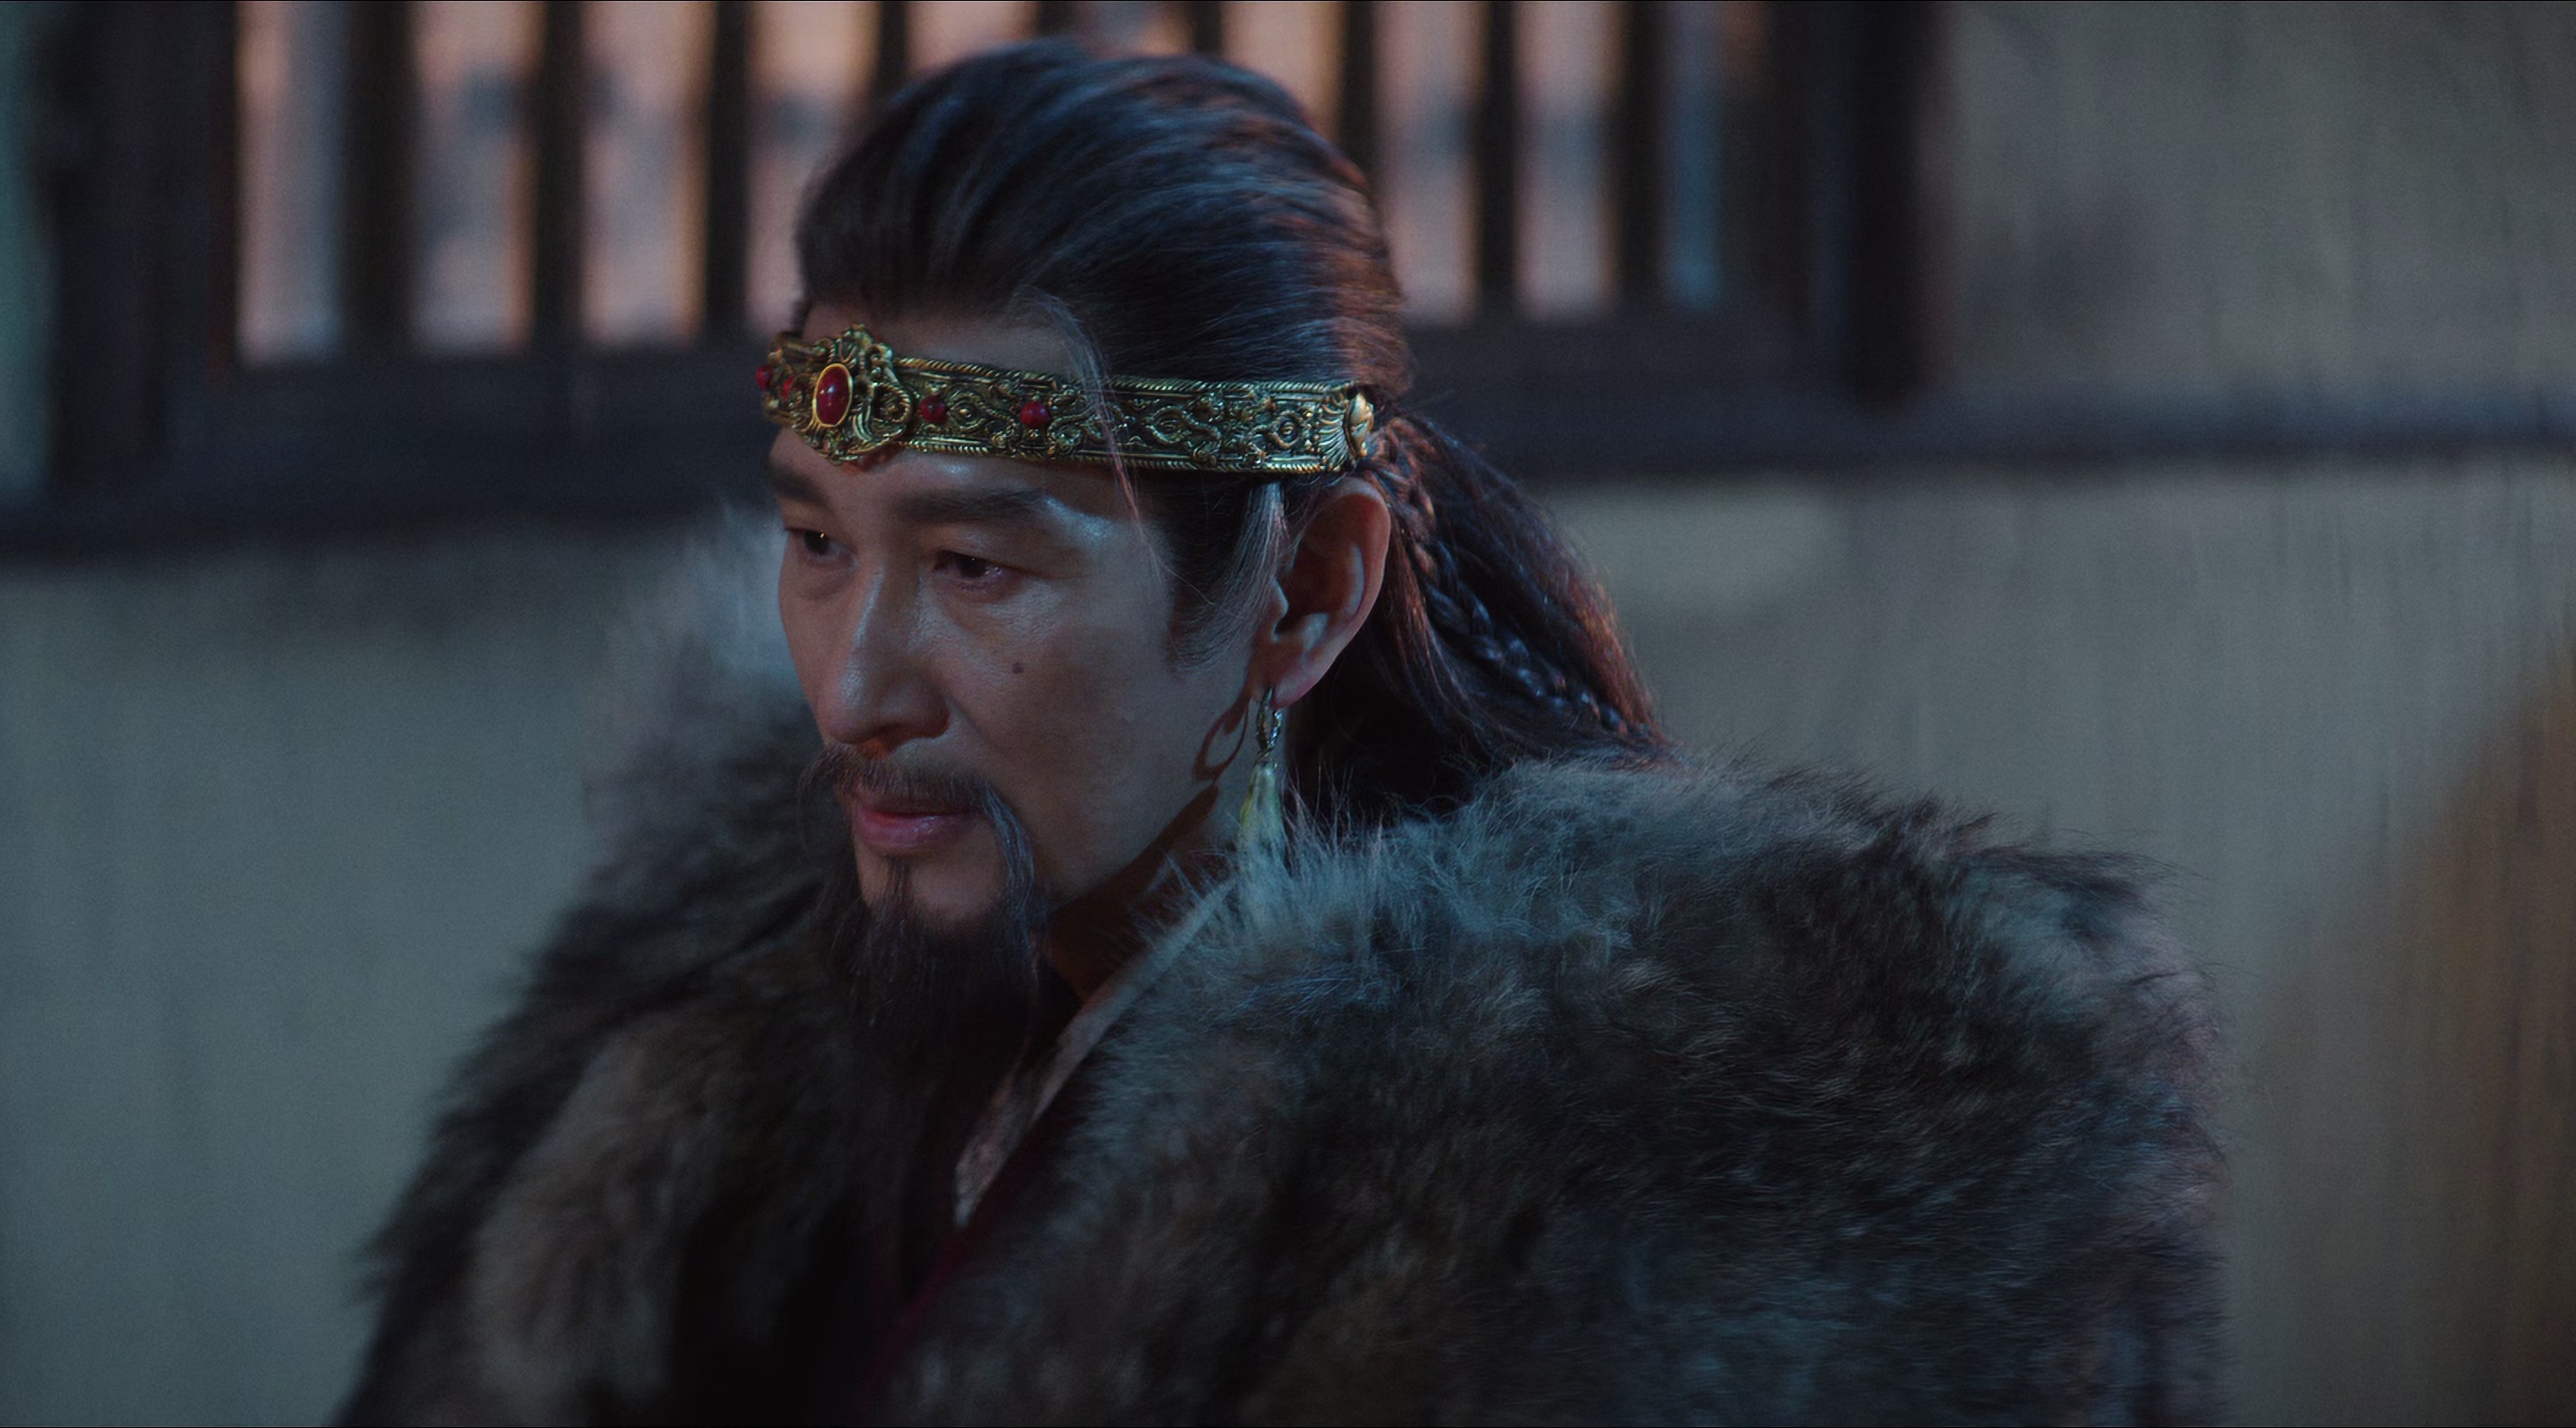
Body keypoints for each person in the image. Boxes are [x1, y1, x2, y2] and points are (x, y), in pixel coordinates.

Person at [341, 42, 2218, 1425]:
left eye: (978, 567)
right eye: (820, 546)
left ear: (1307, 590)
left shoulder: (1624, 1179)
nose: (854, 687)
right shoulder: (747, 1002)